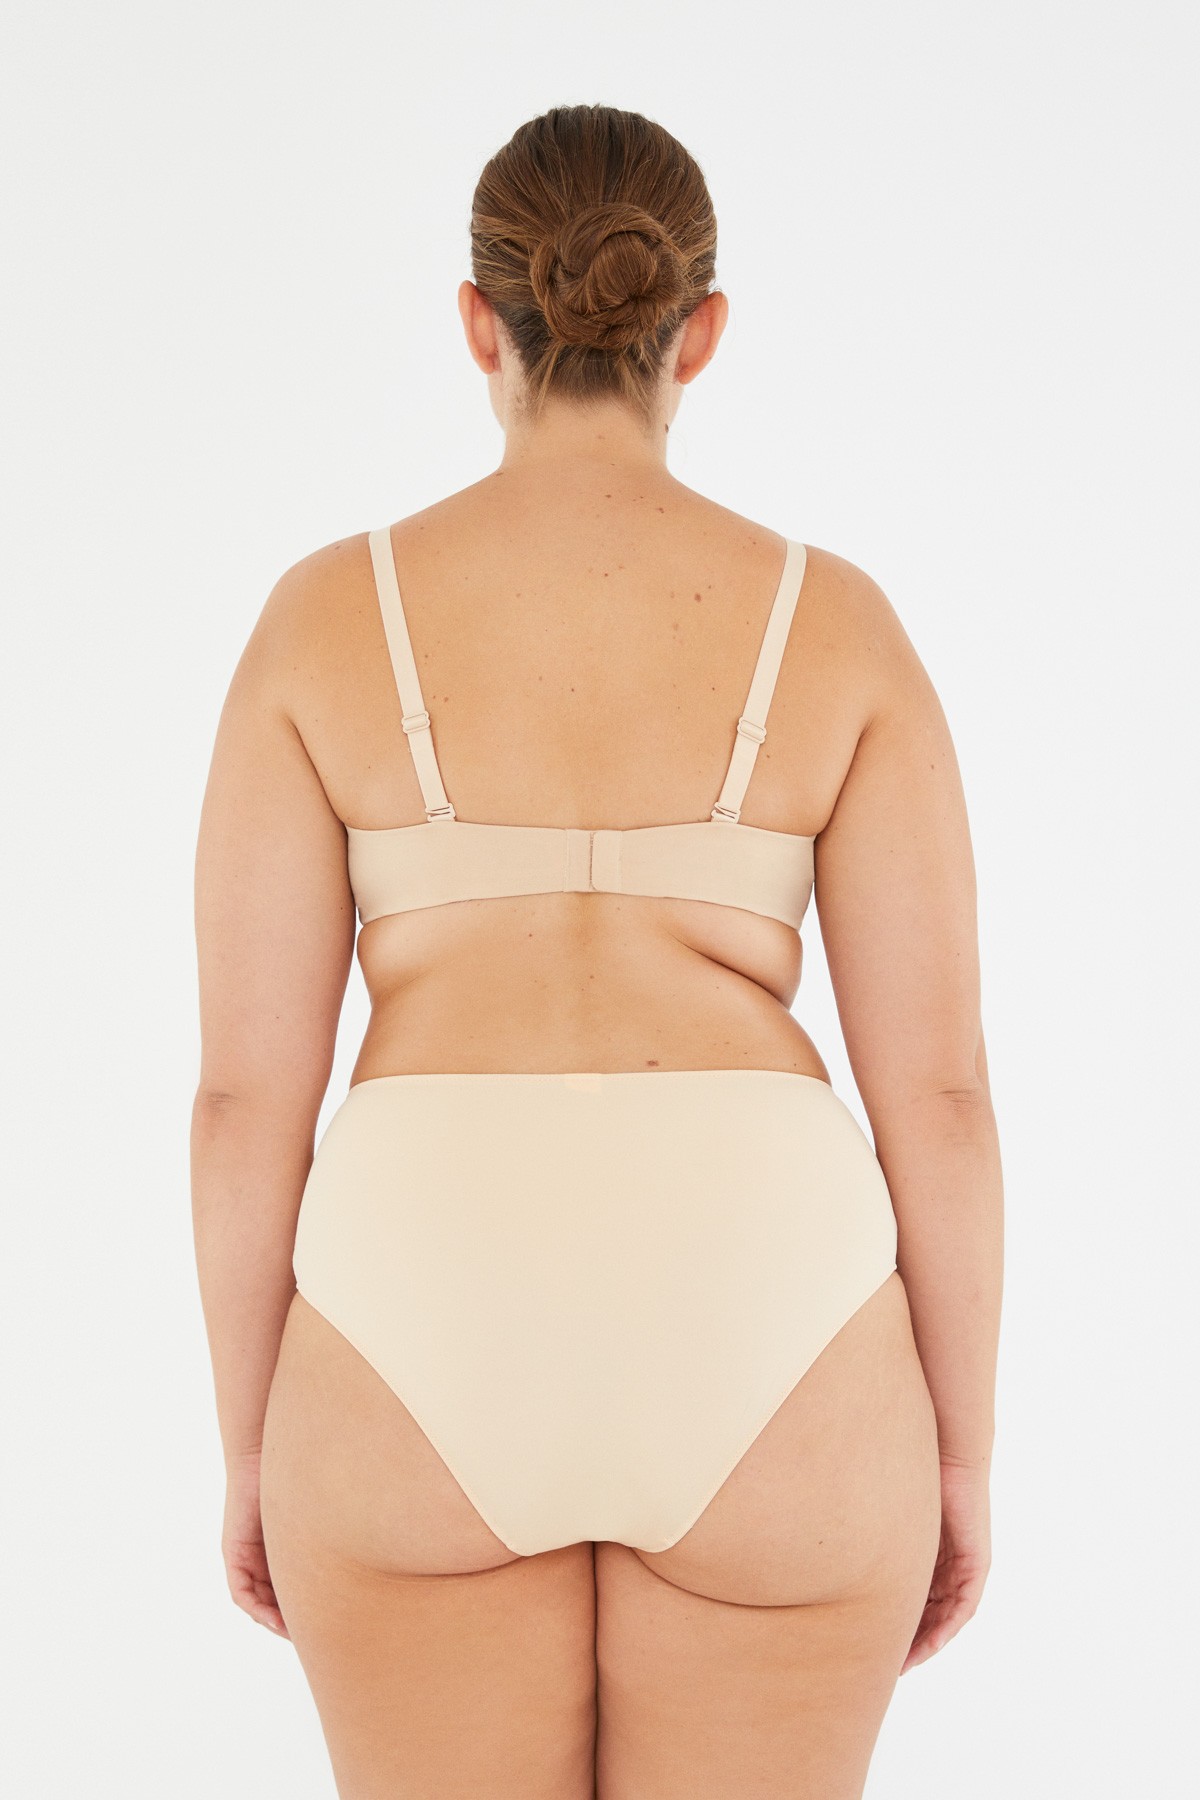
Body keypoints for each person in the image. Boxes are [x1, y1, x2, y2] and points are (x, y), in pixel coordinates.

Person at [191, 102, 1003, 1800]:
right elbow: (936, 1096)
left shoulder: (324, 619)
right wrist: (960, 1462)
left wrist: (255, 1443)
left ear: (476, 321)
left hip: (420, 1305)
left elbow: (244, 1102)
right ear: (699, 332)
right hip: (768, 1317)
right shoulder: (836, 626)